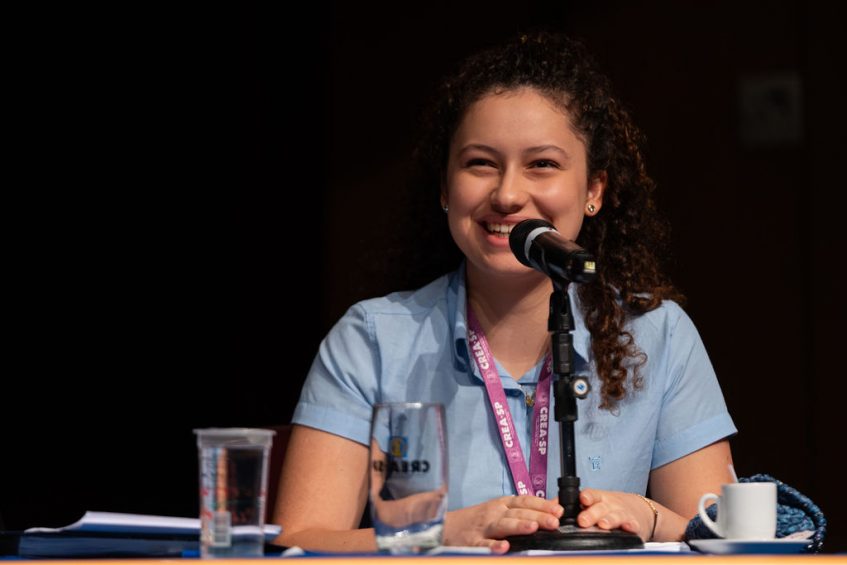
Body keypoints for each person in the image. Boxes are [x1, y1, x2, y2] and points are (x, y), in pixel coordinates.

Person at [273, 31, 736, 553]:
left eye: (542, 164)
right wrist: (443, 534)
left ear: (593, 190)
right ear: (445, 188)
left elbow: (723, 544)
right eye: (480, 163)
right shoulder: (373, 340)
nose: (508, 194)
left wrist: (647, 516)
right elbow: (298, 544)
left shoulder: (658, 334)